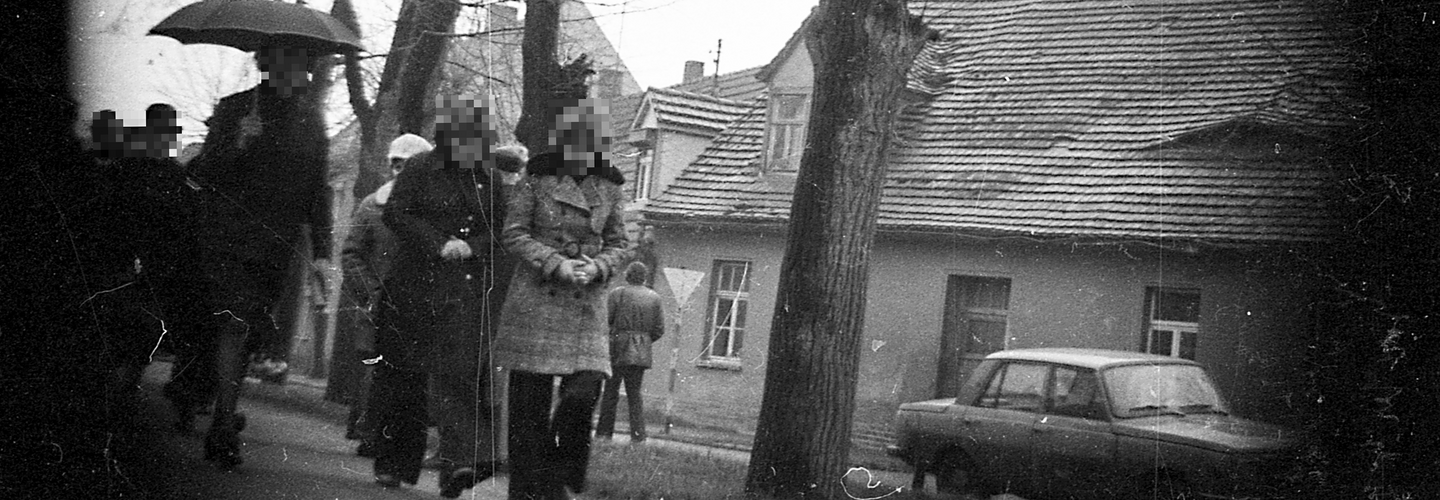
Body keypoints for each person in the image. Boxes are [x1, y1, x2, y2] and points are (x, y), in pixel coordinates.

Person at [182, 44, 332, 466]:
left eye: (305, 66)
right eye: (293, 65)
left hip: (277, 244)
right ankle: (225, 421)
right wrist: (238, 143)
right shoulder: (235, 110)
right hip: (227, 238)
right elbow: (203, 173)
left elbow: (318, 189)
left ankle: (222, 403)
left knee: (250, 330)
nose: (301, 74)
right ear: (268, 68)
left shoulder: (311, 121)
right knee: (233, 322)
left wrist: (322, 252)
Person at [368, 94, 524, 497]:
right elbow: (396, 213)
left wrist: (472, 246)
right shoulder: (420, 168)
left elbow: (501, 229)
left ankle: (456, 466)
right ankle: (394, 461)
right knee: (405, 375)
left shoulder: (486, 177)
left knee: (457, 376)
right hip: (415, 284)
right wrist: (438, 242)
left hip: (462, 289)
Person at [493, 98, 633, 500]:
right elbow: (515, 233)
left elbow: (621, 243)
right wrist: (555, 263)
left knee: (583, 392)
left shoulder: (610, 185)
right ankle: (526, 492)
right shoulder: (536, 179)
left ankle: (557, 478)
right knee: (528, 407)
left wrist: (599, 267)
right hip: (536, 299)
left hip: (585, 304)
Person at [340, 133, 432, 456]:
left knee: (403, 372)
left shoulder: (432, 210)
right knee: (372, 365)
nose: (399, 170)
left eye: (407, 164)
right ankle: (368, 432)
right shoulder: (371, 205)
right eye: (395, 163)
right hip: (376, 303)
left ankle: (384, 436)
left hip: (415, 303)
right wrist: (371, 291)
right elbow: (351, 252)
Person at [595, 261, 666, 443]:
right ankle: (638, 436)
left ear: (628, 275)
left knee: (610, 392)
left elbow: (606, 321)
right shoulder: (655, 298)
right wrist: (643, 341)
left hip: (617, 349)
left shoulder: (617, 294)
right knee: (635, 395)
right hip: (641, 352)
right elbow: (659, 329)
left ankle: (604, 434)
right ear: (644, 277)